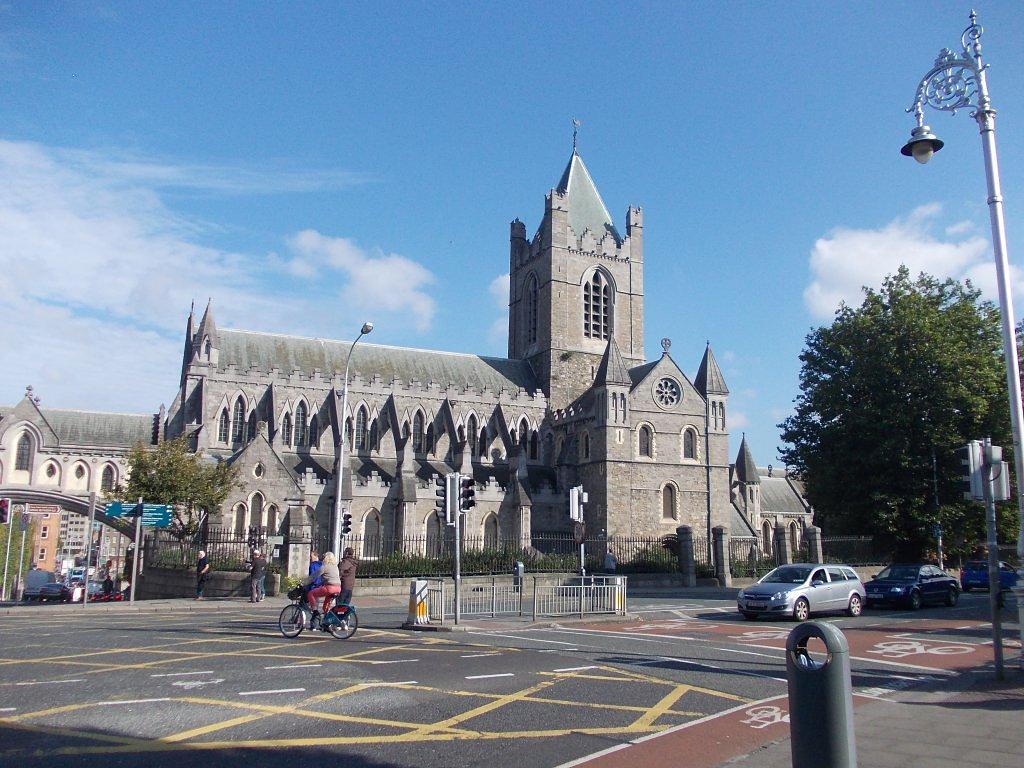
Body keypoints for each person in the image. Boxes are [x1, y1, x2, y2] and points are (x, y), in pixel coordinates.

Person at [301, 551, 341, 619]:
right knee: (325, 607)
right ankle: (327, 622)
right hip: (338, 588)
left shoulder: (324, 567)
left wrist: (303, 583)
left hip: (329, 588)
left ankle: (315, 611)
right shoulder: (335, 567)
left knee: (311, 594)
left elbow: (313, 577)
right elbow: (330, 578)